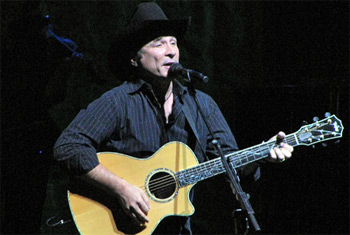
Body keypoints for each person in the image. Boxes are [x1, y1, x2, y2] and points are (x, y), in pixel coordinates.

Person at [53, 2, 293, 234]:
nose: (170, 51)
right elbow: (68, 147)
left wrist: (263, 156)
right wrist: (122, 188)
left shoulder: (201, 104)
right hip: (123, 226)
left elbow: (232, 167)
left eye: (173, 43)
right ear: (134, 58)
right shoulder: (118, 102)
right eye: (158, 44)